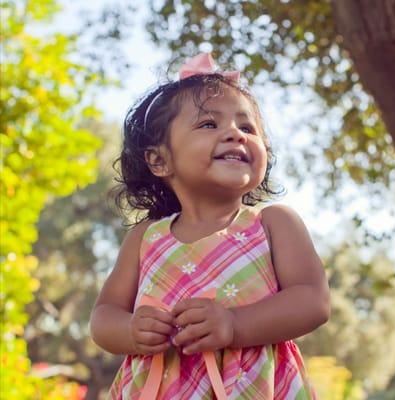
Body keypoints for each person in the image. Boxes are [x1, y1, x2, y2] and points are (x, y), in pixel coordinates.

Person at [90, 53, 330, 399]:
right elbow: (102, 317)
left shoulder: (274, 224)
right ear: (159, 159)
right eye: (208, 124)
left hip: (252, 387)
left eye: (247, 127)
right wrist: (130, 329)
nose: (235, 134)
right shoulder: (145, 238)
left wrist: (234, 326)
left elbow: (313, 301)